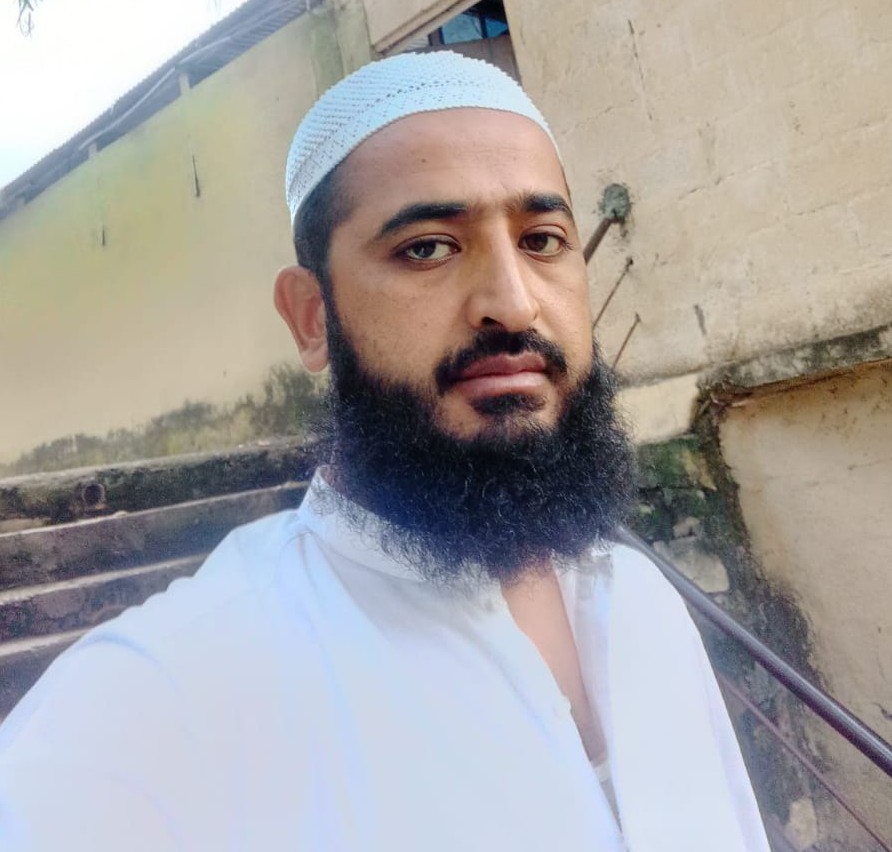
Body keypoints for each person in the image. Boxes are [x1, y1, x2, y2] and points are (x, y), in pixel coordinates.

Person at [0, 51, 769, 851]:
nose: (513, 304)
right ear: (311, 318)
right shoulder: (174, 691)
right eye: (427, 248)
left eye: (542, 240)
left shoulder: (640, 602)